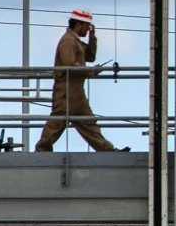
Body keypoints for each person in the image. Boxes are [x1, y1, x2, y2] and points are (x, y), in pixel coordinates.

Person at [34, 8, 121, 152]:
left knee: (87, 123)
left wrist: (92, 38)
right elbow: (71, 66)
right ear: (79, 24)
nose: (88, 29)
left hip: (75, 91)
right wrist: (92, 71)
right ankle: (42, 150)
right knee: (58, 122)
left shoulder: (74, 41)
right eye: (87, 26)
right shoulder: (68, 41)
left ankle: (107, 150)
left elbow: (90, 56)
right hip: (66, 91)